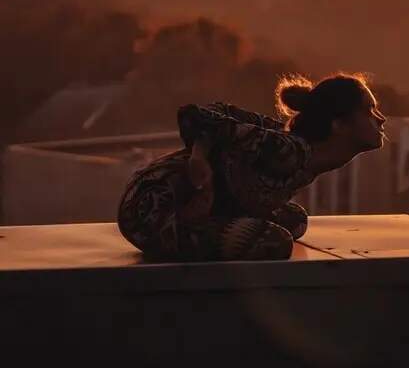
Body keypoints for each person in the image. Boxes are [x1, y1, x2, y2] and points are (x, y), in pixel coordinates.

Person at [116, 73, 388, 262]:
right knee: (273, 242)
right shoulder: (287, 150)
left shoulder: (291, 146)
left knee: (295, 220)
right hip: (152, 213)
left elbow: (221, 111)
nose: (381, 119)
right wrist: (200, 162)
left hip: (185, 208)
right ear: (338, 125)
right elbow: (198, 114)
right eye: (369, 110)